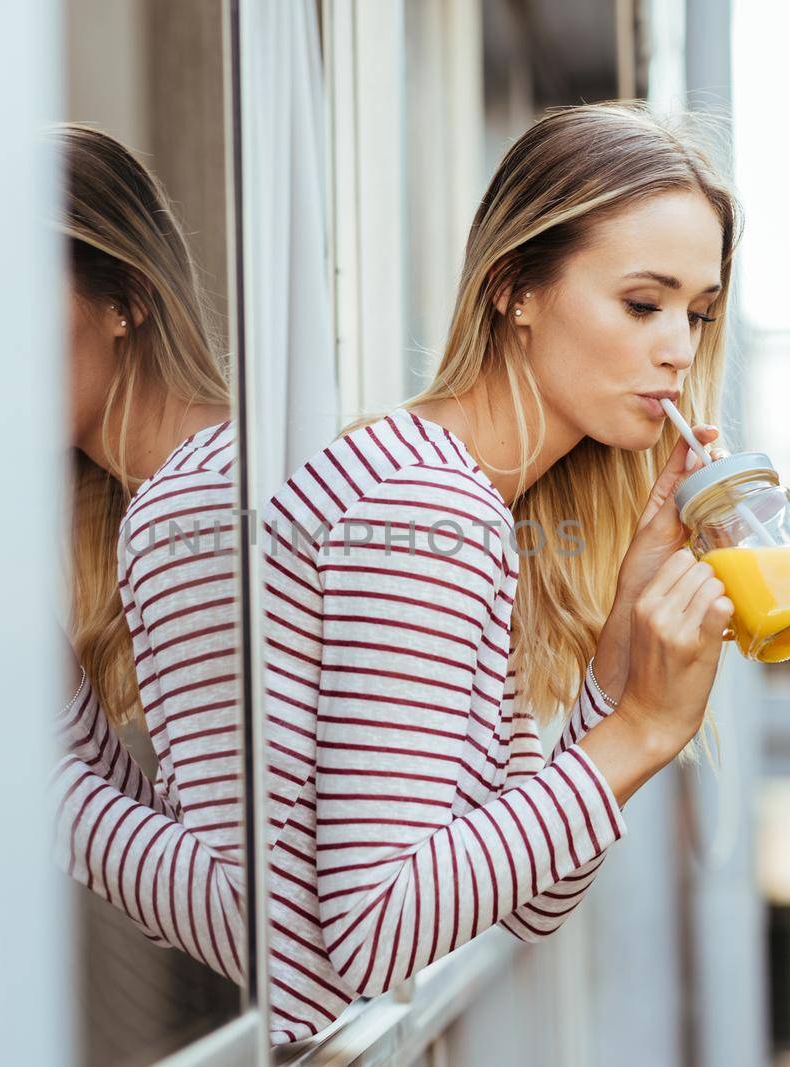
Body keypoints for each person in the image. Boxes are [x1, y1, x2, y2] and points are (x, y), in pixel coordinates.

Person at [257, 101, 739, 1043]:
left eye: (699, 312)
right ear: (515, 287)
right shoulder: (424, 507)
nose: (679, 348)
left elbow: (530, 900)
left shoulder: (472, 500)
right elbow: (374, 932)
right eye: (643, 303)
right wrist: (643, 728)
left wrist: (617, 656)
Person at [47, 123, 248, 986]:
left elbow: (242, 920)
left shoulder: (188, 509)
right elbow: (188, 885)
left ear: (125, 298)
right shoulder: (211, 478)